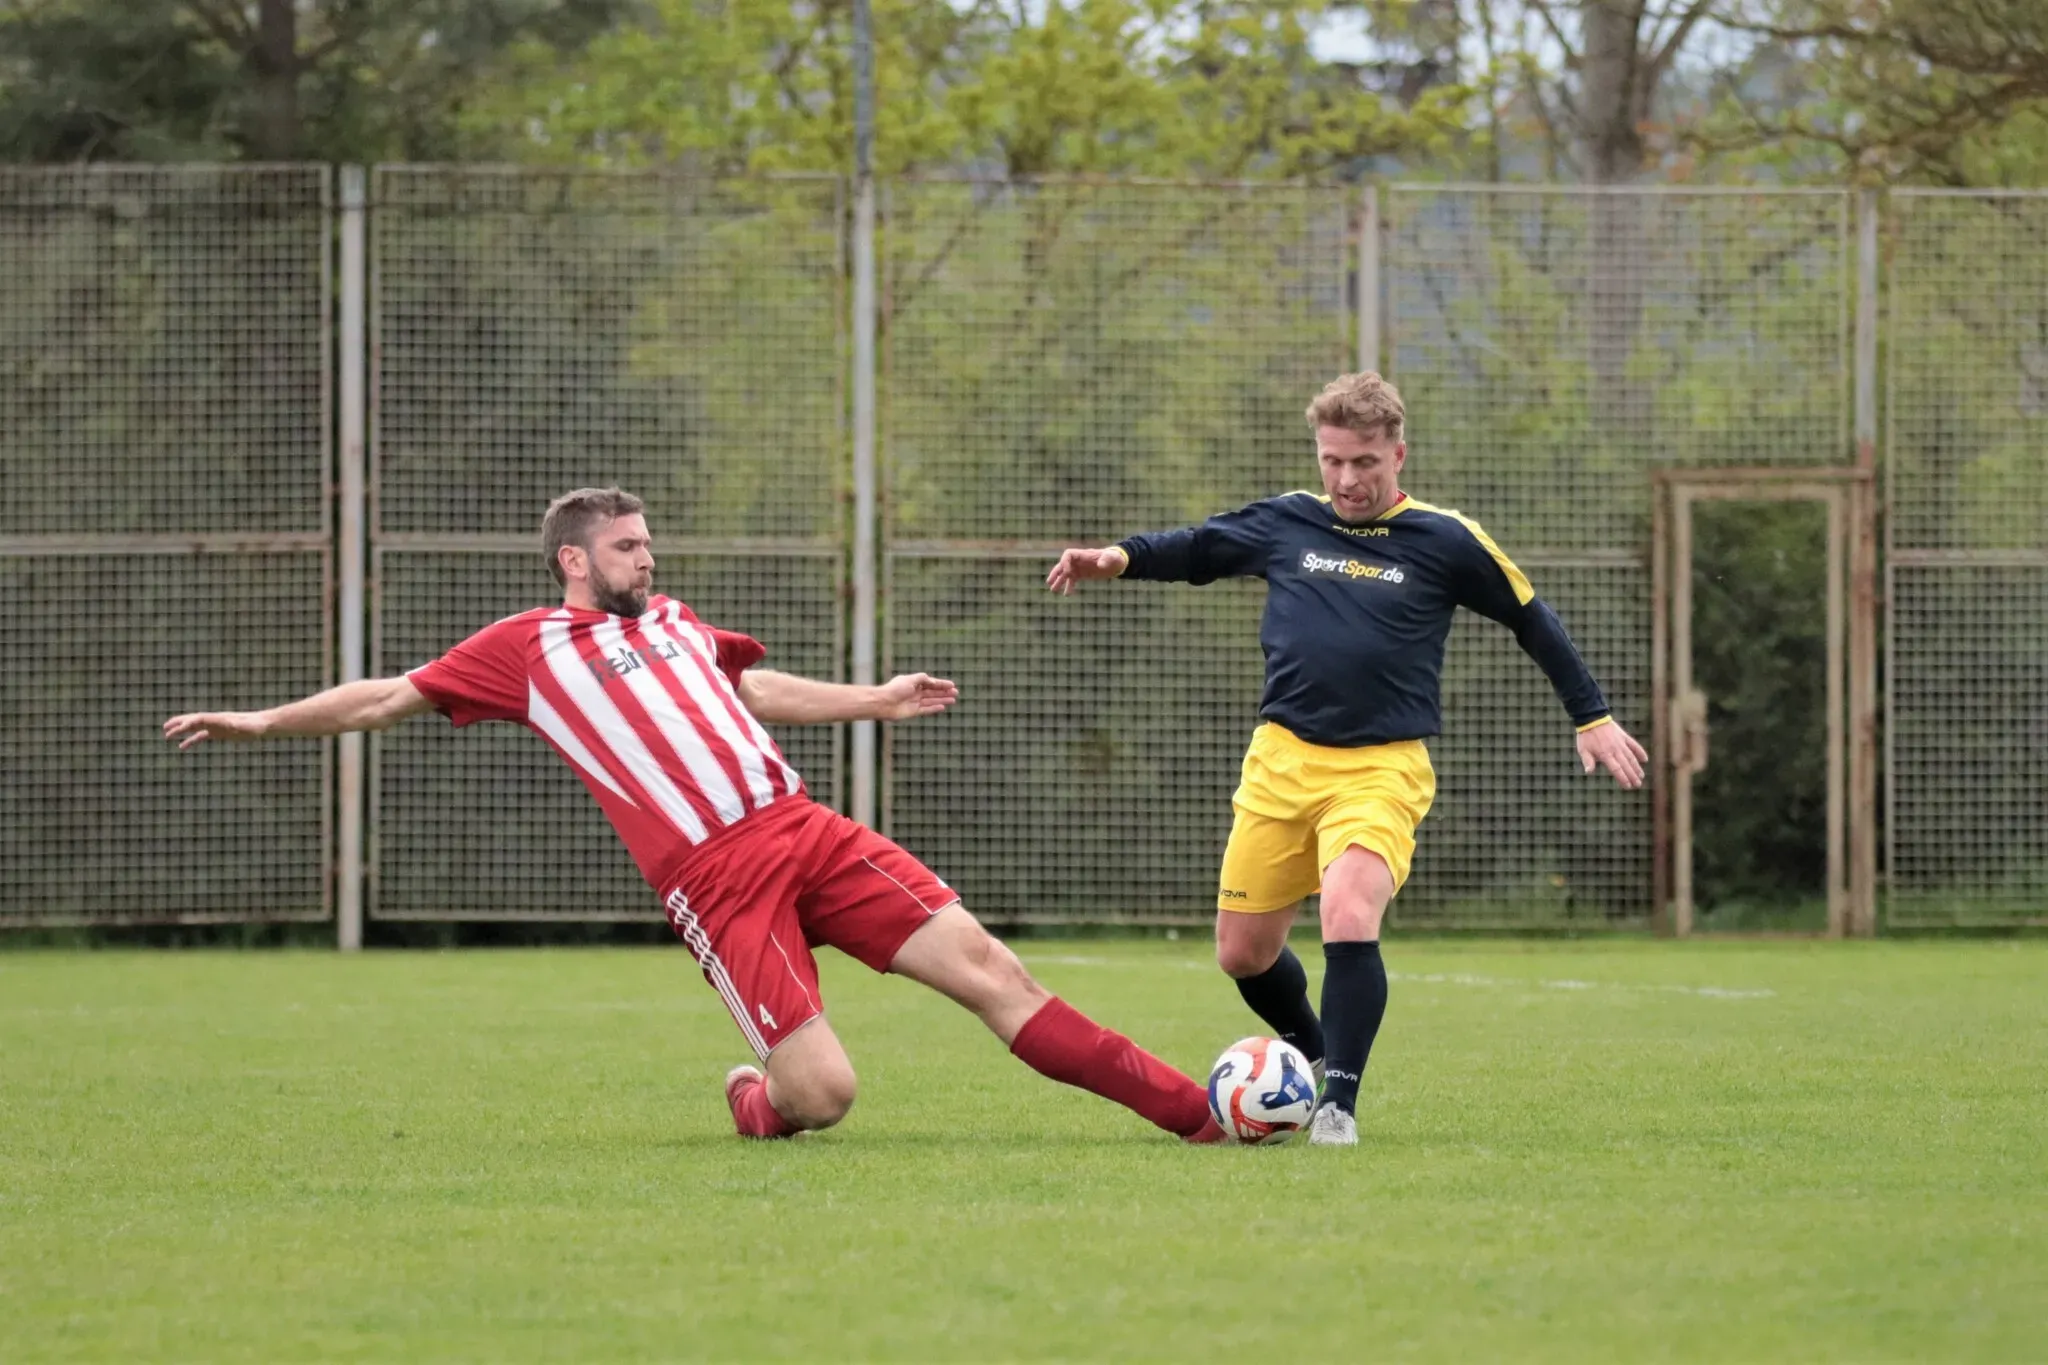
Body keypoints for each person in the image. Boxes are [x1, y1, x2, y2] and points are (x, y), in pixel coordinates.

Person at [166, 485, 1225, 1144]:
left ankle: (1198, 1115)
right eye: (627, 547)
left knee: (997, 976)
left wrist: (874, 698)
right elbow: (386, 697)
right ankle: (755, 1099)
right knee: (824, 1096)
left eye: (647, 543)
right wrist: (259, 723)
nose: (647, 558)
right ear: (573, 560)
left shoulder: (674, 621)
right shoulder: (523, 649)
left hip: (807, 829)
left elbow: (750, 691)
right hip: (716, 881)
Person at [1045, 372, 1646, 1146]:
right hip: (1281, 761)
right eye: (1332, 460)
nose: (1346, 479)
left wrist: (1590, 713)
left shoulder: (1446, 538)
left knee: (1349, 912)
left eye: (1363, 462)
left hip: (1380, 768)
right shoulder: (1289, 521)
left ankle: (1339, 1104)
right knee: (1241, 952)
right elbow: (1200, 546)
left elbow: (1531, 617)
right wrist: (1118, 559)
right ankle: (1317, 1052)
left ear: (1398, 453)